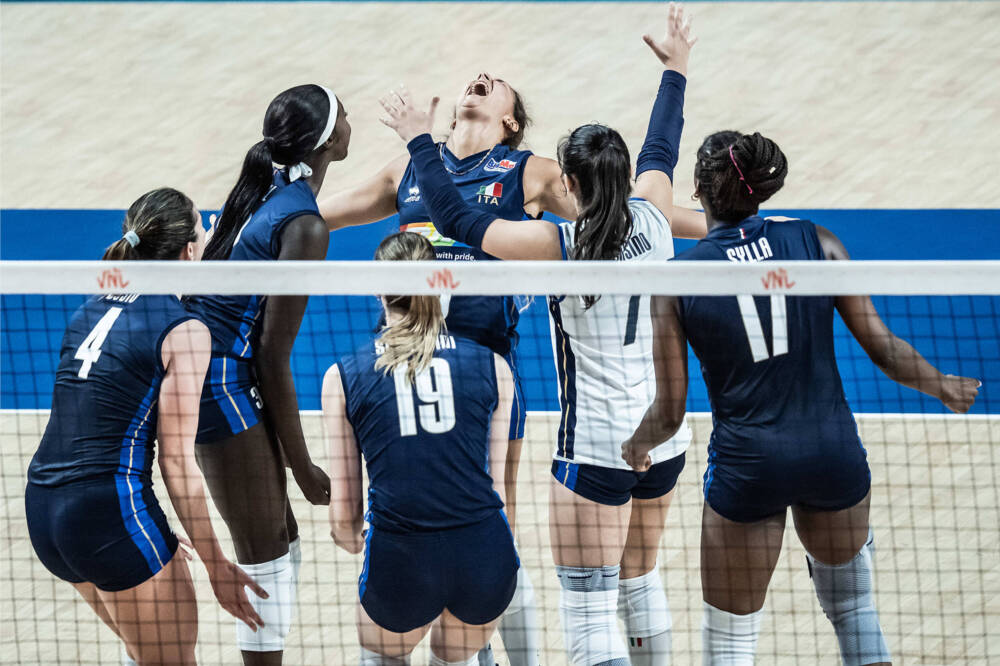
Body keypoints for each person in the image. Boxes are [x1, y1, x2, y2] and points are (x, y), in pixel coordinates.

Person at [376, 5, 698, 664]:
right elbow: (662, 146)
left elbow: (463, 222)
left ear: (569, 184)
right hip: (668, 437)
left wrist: (418, 143)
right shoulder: (656, 219)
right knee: (640, 578)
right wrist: (676, 70)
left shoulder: (557, 244)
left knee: (586, 605)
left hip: (599, 443)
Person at [620, 129, 981, 666]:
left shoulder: (678, 281)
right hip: (831, 453)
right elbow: (883, 349)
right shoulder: (818, 242)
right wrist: (941, 384)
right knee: (855, 610)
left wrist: (635, 447)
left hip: (750, 466)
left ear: (698, 189)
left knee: (729, 642)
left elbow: (671, 411)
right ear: (760, 191)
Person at [25, 188, 267, 666]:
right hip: (107, 514)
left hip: (46, 513)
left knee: (145, 655)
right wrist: (216, 565)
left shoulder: (88, 310)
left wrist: (146, 527)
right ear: (189, 250)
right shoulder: (185, 331)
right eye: (201, 229)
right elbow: (177, 463)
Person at [189, 83, 350, 665]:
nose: (351, 119)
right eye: (345, 113)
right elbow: (272, 356)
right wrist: (302, 466)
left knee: (280, 543)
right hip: (220, 386)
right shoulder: (304, 225)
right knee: (263, 560)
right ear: (330, 139)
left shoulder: (267, 189)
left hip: (227, 380)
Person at [324, 231, 519, 666]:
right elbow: (500, 497)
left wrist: (357, 538)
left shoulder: (344, 376)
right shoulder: (495, 367)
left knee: (382, 654)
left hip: (402, 565)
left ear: (378, 289)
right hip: (484, 561)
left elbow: (343, 524)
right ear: (441, 283)